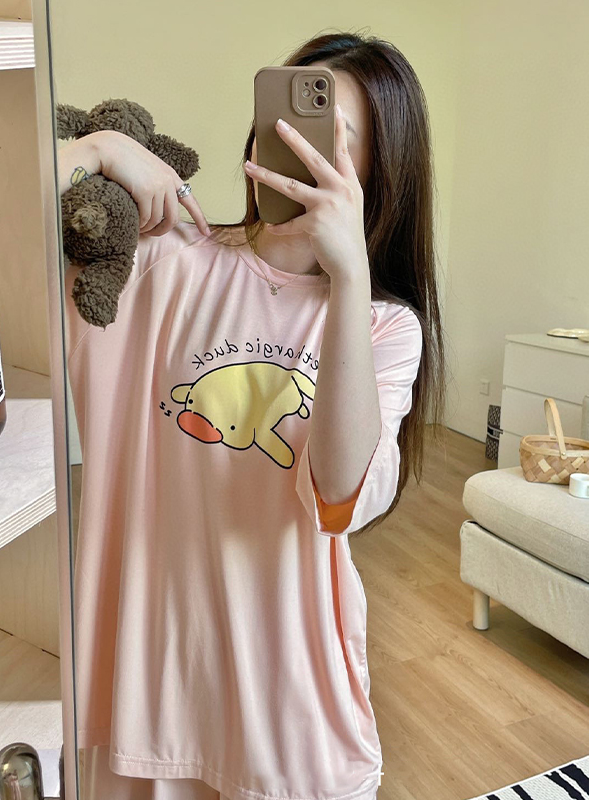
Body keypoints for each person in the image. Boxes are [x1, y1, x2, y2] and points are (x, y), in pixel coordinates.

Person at [59, 30, 446, 800]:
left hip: (285, 714)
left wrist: (347, 277)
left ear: (379, 173)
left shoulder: (382, 327)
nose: (300, 144)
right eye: (289, 117)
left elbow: (339, 495)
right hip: (144, 691)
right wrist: (100, 149)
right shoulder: (165, 260)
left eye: (333, 134)